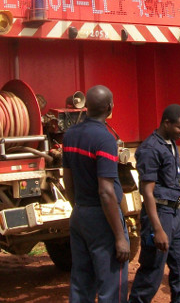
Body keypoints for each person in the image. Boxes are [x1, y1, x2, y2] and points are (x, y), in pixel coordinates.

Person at [62, 85, 128, 303]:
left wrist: (78, 208)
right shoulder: (105, 139)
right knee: (112, 286)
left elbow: (67, 180)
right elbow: (106, 191)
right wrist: (119, 237)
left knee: (81, 282)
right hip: (103, 218)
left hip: (80, 214)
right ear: (110, 107)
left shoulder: (70, 135)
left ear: (86, 106)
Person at [129, 104, 180, 303]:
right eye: (179, 128)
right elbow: (147, 192)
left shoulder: (170, 143)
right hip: (159, 214)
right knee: (152, 271)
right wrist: (157, 229)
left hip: (176, 214)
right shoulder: (150, 149)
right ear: (166, 123)